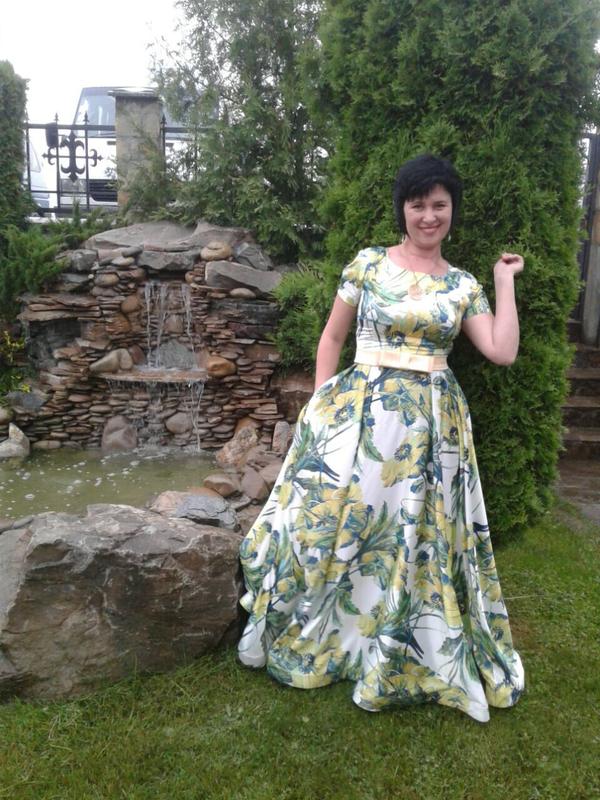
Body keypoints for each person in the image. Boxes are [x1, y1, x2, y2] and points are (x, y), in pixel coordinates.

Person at [238, 154, 525, 723]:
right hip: (363, 415)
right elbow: (331, 339)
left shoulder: (463, 284)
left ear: (452, 211)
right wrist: (322, 407)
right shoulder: (368, 265)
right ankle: (334, 629)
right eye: (418, 204)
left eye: (439, 205)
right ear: (403, 208)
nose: (429, 215)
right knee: (342, 521)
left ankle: (398, 638)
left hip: (433, 428)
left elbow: (501, 351)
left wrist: (503, 282)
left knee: (415, 535)